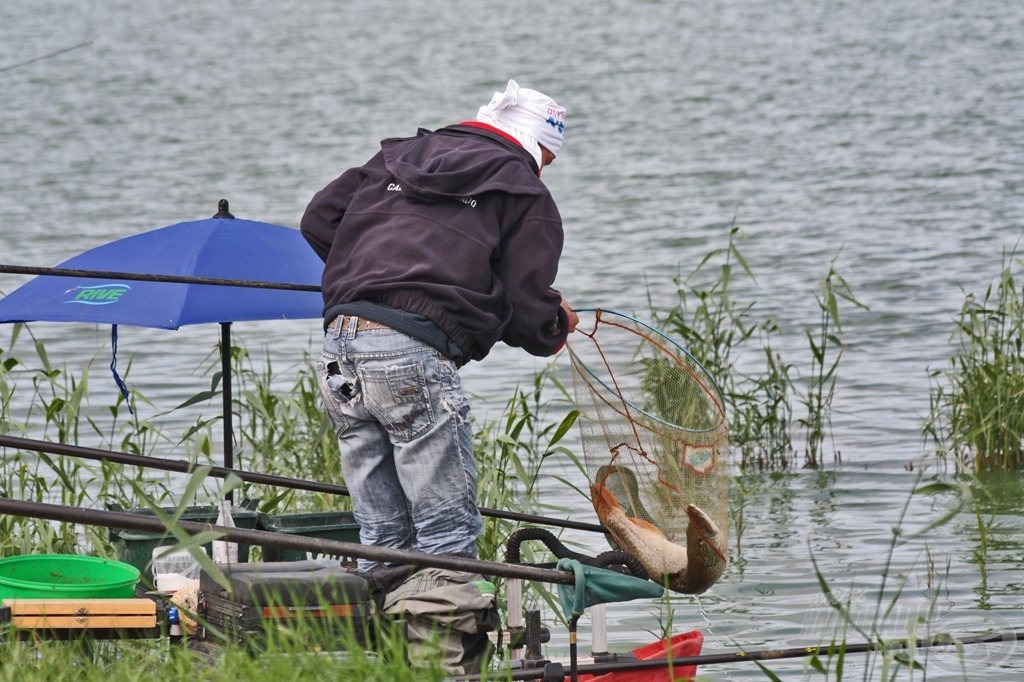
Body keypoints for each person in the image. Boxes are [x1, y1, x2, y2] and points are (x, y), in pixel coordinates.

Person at [300, 79, 579, 572]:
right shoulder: (523, 189)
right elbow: (527, 308)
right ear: (536, 145)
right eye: (547, 160)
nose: (542, 172)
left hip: (338, 347)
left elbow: (319, 218)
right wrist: (556, 324)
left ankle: (386, 646)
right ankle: (444, 647)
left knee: (381, 533)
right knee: (446, 531)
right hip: (409, 352)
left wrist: (366, 272)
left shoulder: (395, 158)